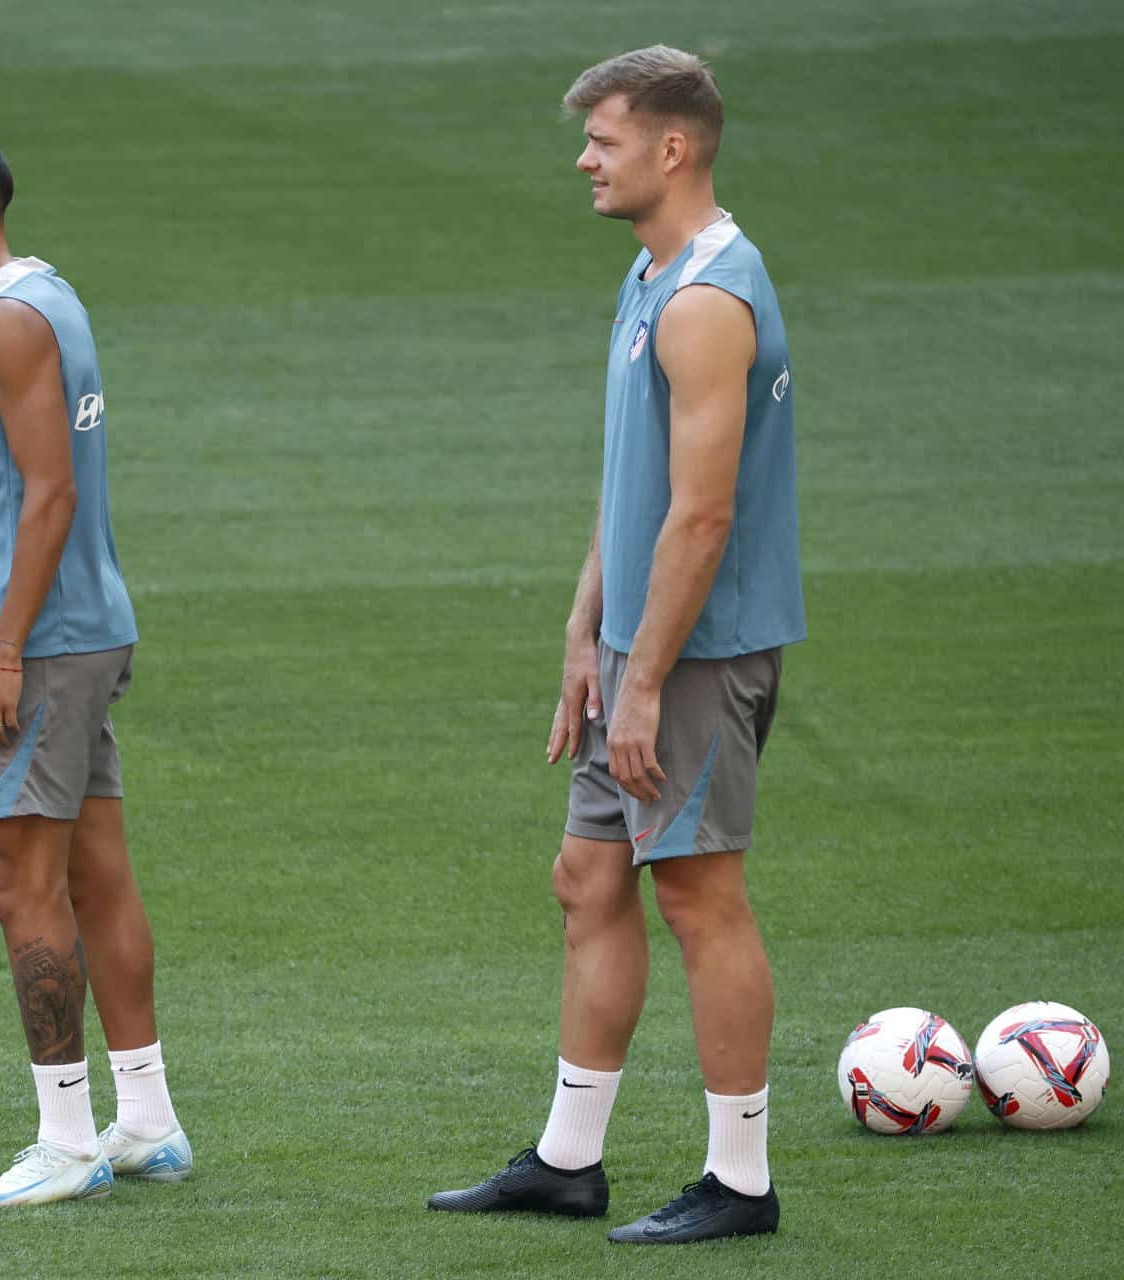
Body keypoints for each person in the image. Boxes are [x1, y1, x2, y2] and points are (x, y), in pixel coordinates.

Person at [429, 47, 804, 1244]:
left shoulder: (708, 298)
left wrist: (643, 681)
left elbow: (704, 514)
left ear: (673, 148)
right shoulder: (655, 276)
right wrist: (587, 629)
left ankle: (740, 1180)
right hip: (639, 649)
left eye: (604, 138)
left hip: (696, 654)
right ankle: (567, 1157)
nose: (585, 158)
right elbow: (632, 486)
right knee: (589, 879)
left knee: (700, 895)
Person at [0, 130, 191, 1207]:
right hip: (80, 623)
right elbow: (36, 491)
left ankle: (65, 1139)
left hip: (51, 645)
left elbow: (49, 489)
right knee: (96, 872)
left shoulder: (4, 321)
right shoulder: (43, 295)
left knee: (21, 882)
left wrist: (6, 643)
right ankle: (145, 1117)